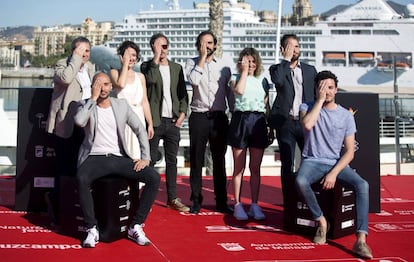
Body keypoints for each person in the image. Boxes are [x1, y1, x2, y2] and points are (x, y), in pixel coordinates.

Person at [74, 72, 160, 248]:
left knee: (153, 177)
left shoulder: (121, 105)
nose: (102, 88)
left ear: (111, 87)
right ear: (92, 87)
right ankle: (91, 229)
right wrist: (93, 98)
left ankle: (136, 225)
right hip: (94, 157)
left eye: (105, 84)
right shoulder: (85, 105)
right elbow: (79, 122)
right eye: (98, 84)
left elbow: (140, 129)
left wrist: (145, 157)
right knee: (82, 178)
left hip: (118, 157)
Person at [295, 70, 372, 259]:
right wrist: (320, 101)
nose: (326, 91)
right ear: (315, 89)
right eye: (322, 88)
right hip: (312, 160)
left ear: (336, 89)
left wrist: (333, 173)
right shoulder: (307, 106)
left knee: (363, 185)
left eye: (330, 88)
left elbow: (349, 152)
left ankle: (361, 239)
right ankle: (321, 221)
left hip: (335, 163)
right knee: (300, 181)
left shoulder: (346, 115)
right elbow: (307, 125)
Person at [45, 36, 95, 225]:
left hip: (86, 125)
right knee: (64, 168)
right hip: (66, 125)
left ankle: (78, 208)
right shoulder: (61, 65)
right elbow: (66, 79)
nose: (85, 54)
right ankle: (56, 207)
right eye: (81, 50)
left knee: (82, 168)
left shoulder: (90, 68)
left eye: (87, 51)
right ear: (73, 51)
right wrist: (75, 59)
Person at [268, 34, 317, 222]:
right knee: (287, 164)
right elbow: (278, 81)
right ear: (283, 49)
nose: (294, 50)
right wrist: (286, 60)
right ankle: (289, 205)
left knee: (310, 160)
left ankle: (309, 203)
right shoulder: (277, 69)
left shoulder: (310, 70)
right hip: (286, 122)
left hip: (306, 122)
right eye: (290, 47)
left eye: (296, 46)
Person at [185, 30, 234, 214]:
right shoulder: (191, 63)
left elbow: (229, 94)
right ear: (199, 45)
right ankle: (196, 200)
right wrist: (202, 59)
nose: (208, 46)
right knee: (196, 159)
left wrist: (234, 115)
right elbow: (194, 81)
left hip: (219, 117)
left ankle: (221, 201)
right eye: (204, 43)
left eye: (210, 43)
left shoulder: (223, 67)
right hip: (198, 115)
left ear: (215, 45)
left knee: (219, 160)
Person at [140, 33, 189, 212]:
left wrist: (183, 114)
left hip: (173, 121)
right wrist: (156, 57)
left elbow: (183, 93)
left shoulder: (176, 68)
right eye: (159, 46)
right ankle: (146, 198)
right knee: (150, 160)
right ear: (152, 46)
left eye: (165, 46)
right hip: (154, 121)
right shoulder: (146, 66)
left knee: (172, 161)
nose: (162, 49)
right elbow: (151, 79)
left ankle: (172, 198)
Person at [228, 47, 271, 221]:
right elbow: (238, 91)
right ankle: (237, 204)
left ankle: (254, 204)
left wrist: (270, 126)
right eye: (247, 61)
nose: (251, 64)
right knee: (239, 167)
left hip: (258, 120)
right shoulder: (234, 78)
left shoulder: (263, 79)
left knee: (255, 167)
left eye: (253, 61)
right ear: (241, 62)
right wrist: (244, 71)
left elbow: (266, 103)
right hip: (241, 120)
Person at [110, 40, 154, 160]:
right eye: (128, 55)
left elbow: (144, 101)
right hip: (121, 118)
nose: (131, 58)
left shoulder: (140, 77)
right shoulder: (114, 73)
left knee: (137, 153)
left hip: (138, 117)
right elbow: (121, 84)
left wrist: (150, 123)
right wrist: (124, 65)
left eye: (134, 55)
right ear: (121, 56)